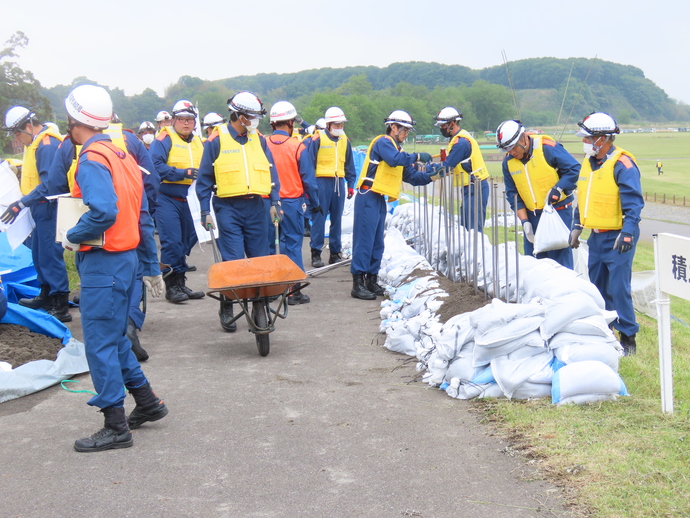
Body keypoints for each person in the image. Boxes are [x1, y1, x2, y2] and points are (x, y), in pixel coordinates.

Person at [60, 84, 167, 452]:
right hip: (127, 260)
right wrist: (150, 264)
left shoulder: (91, 159)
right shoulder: (121, 155)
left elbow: (103, 211)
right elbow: (139, 213)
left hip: (103, 263)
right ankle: (148, 402)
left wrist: (74, 235)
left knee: (101, 344)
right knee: (117, 338)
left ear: (74, 120)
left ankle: (115, 425)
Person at [197, 91, 281, 331]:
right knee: (233, 262)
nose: (256, 121)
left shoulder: (260, 140)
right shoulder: (216, 140)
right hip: (227, 208)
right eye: (252, 116)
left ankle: (260, 306)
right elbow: (204, 180)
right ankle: (227, 302)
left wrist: (275, 202)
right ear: (240, 116)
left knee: (259, 260)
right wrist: (205, 212)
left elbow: (270, 172)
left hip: (256, 205)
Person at [569, 112, 644, 356]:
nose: (585, 142)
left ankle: (628, 336)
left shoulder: (623, 164)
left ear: (602, 139)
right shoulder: (588, 163)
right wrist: (577, 226)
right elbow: (583, 198)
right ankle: (605, 331)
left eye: (588, 138)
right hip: (597, 237)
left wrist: (628, 233)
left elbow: (634, 204)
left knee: (618, 287)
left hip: (618, 236)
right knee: (597, 288)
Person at [352, 111, 434, 299]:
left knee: (376, 243)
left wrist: (432, 175)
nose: (406, 134)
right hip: (368, 195)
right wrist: (418, 156)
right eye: (404, 130)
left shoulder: (398, 151)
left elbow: (411, 177)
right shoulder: (384, 142)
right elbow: (394, 160)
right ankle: (357, 284)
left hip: (379, 198)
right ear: (393, 127)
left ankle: (371, 280)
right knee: (364, 241)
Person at [1, 106, 71, 322]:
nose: (17, 139)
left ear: (29, 126)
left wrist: (21, 203)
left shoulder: (46, 146)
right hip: (39, 208)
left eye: (17, 133)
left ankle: (60, 302)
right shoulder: (36, 144)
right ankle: (46, 294)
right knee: (39, 253)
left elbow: (50, 184)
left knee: (50, 254)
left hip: (50, 207)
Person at [496, 119, 580, 269]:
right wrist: (525, 222)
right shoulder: (508, 162)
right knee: (534, 262)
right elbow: (512, 194)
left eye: (513, 147)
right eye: (507, 150)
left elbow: (573, 168)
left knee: (560, 262)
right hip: (532, 216)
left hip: (558, 212)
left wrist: (559, 188)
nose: (511, 152)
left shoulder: (547, 148)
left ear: (523, 138)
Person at [150, 100, 205, 303]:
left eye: (190, 119)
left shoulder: (199, 141)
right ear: (173, 120)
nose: (186, 123)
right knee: (172, 241)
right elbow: (154, 164)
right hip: (167, 197)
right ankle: (171, 286)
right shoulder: (164, 138)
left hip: (191, 199)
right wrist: (182, 173)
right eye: (182, 119)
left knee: (186, 241)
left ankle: (181, 282)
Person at [265, 101, 320, 304]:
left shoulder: (263, 143)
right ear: (289, 122)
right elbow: (308, 178)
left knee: (269, 246)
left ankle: (269, 290)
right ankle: (293, 291)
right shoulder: (297, 145)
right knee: (293, 246)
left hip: (267, 202)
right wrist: (315, 203)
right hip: (291, 202)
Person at [303, 107, 356, 268]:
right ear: (328, 124)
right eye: (337, 124)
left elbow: (349, 165)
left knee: (336, 220)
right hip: (321, 183)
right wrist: (310, 189)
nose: (339, 127)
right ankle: (316, 253)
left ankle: (335, 253)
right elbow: (309, 165)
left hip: (338, 183)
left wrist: (351, 184)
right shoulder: (317, 139)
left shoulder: (345, 141)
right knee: (319, 219)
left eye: (341, 124)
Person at [434, 107, 490, 231]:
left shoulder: (461, 143)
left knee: (472, 229)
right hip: (469, 187)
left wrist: (424, 169)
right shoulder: (458, 140)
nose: (441, 128)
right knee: (465, 227)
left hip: (475, 187)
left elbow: (446, 167)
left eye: (442, 125)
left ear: (452, 124)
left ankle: (475, 251)